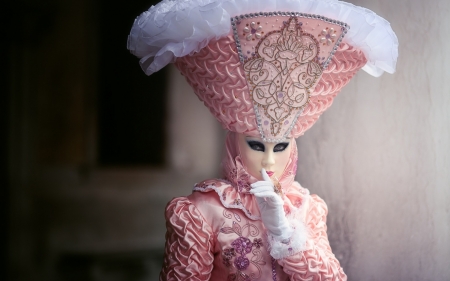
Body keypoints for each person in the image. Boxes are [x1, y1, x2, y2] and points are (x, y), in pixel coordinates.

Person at [127, 0, 398, 280]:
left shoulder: (306, 208)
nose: (269, 160)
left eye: (280, 147)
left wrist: (287, 235)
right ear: (234, 143)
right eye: (256, 145)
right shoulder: (200, 211)